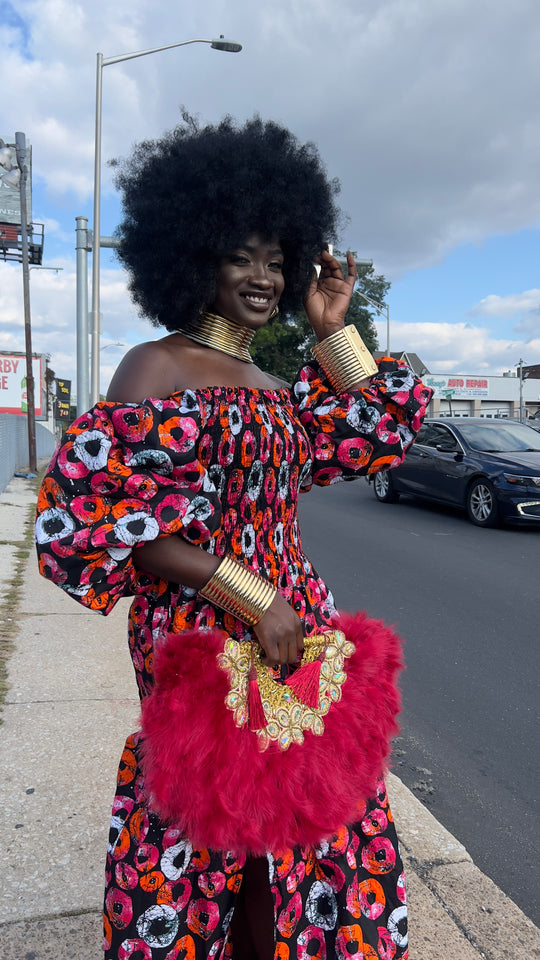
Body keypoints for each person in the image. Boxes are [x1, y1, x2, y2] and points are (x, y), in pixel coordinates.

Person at [35, 115, 432, 960]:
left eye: (275, 260)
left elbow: (376, 434)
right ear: (195, 256)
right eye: (240, 255)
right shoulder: (158, 366)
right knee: (215, 833)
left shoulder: (278, 384)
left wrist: (333, 331)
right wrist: (256, 601)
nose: (261, 276)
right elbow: (127, 527)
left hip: (297, 630)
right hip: (202, 626)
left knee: (303, 836)